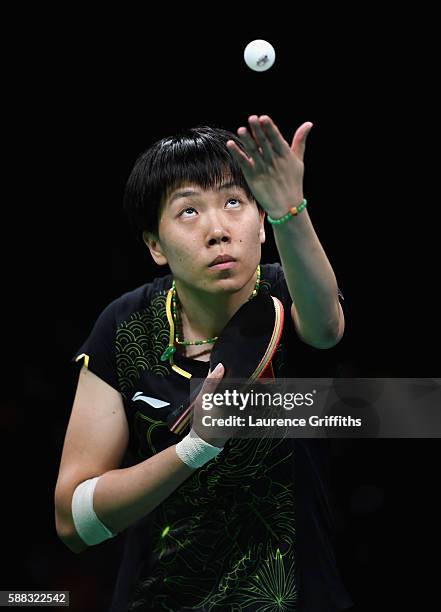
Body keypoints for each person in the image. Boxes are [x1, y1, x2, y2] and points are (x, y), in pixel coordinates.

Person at [54, 114, 354, 611]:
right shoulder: (124, 327)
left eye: (235, 202)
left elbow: (325, 329)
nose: (217, 229)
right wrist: (196, 447)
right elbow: (74, 523)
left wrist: (289, 209)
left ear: (260, 223)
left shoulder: (287, 290)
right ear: (155, 245)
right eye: (188, 212)